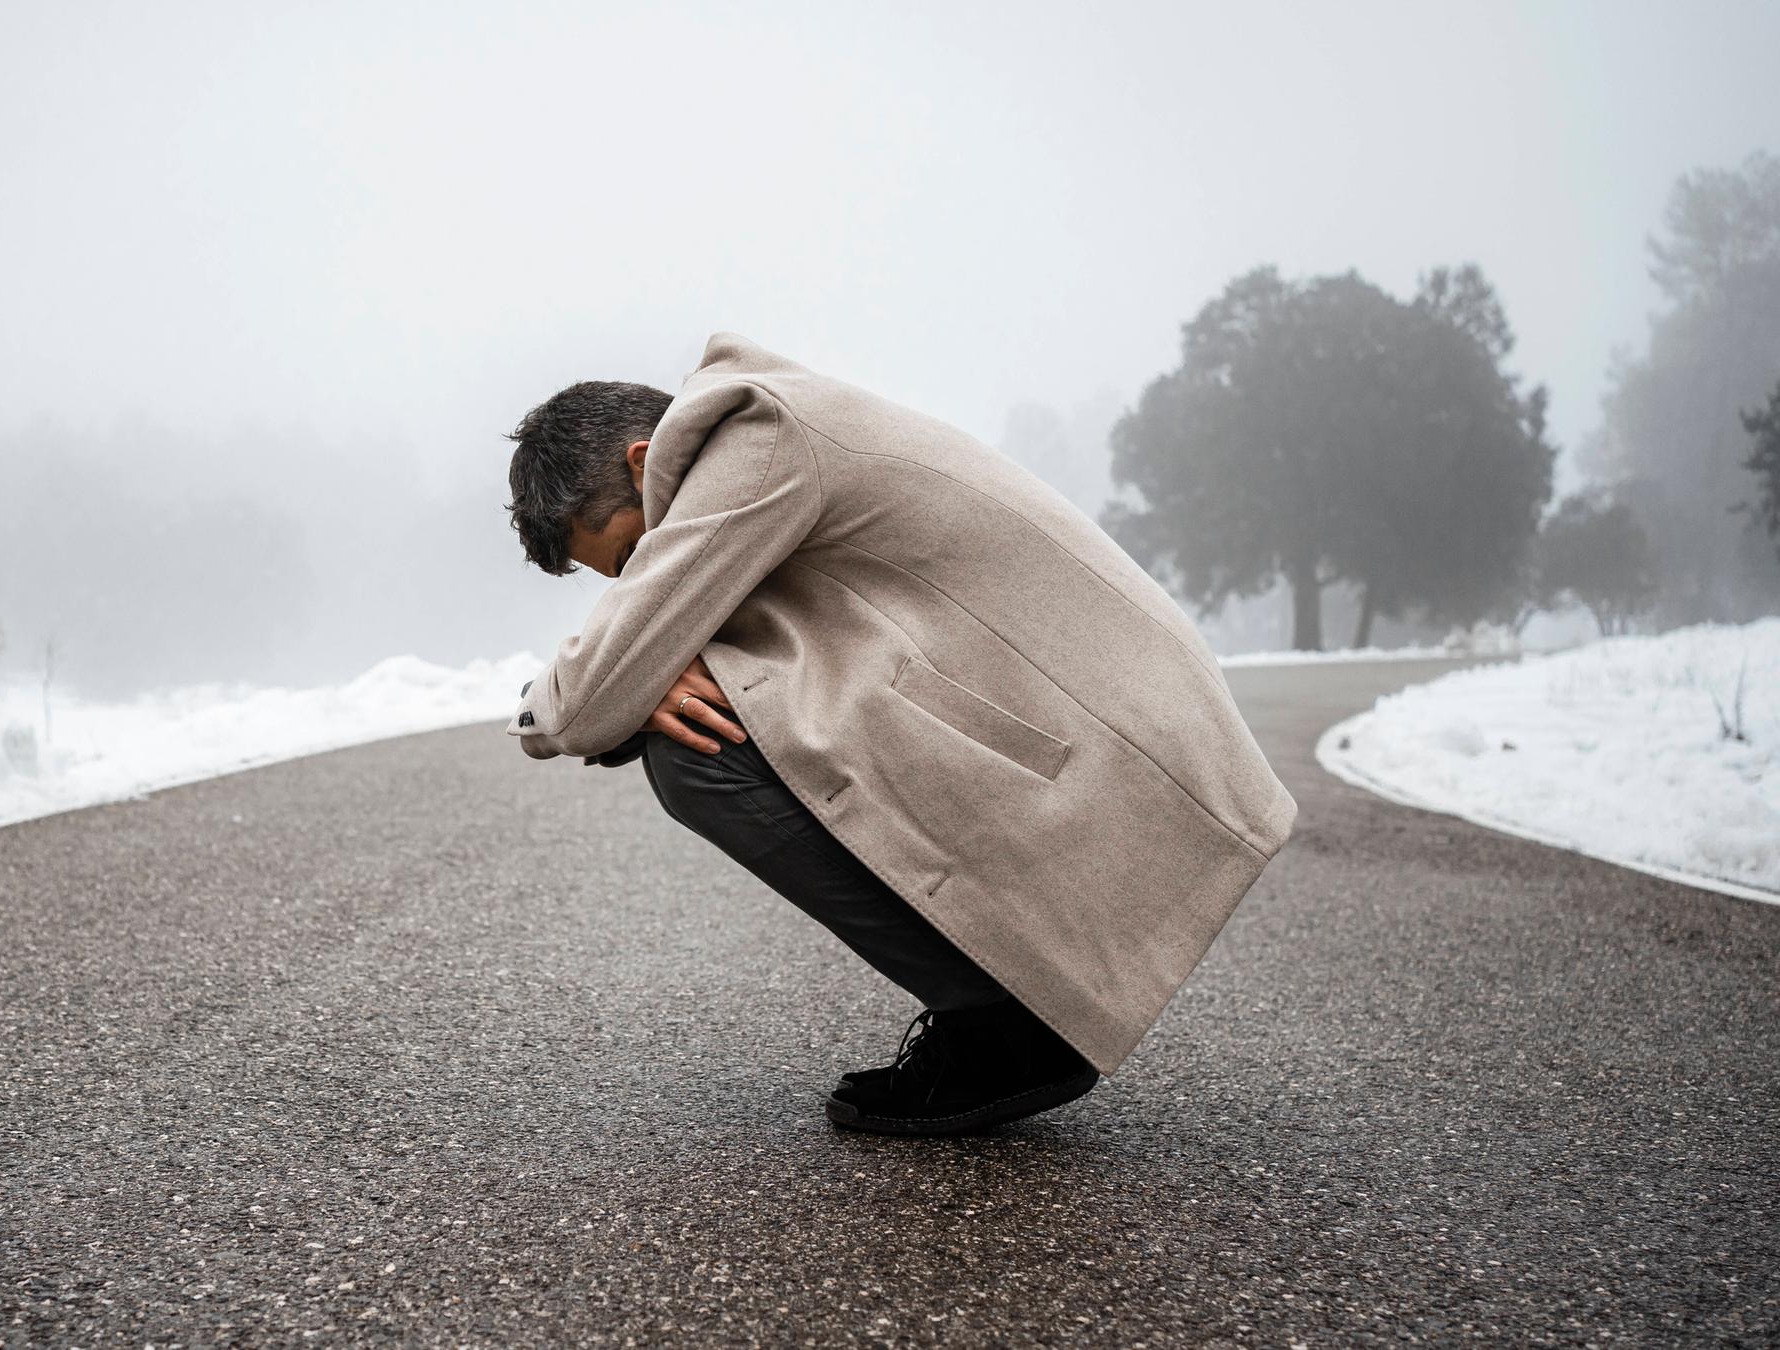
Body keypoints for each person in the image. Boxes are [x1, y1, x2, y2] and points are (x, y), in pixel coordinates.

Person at [501, 332, 1296, 1137]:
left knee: (694, 755)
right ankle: (1007, 1005)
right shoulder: (765, 431)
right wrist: (642, 677)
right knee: (719, 698)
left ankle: (1006, 1023)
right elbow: (637, 667)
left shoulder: (758, 439)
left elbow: (595, 694)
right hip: (1079, 715)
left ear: (644, 462)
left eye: (634, 554)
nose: (640, 580)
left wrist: (577, 695)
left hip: (1124, 736)